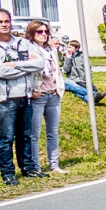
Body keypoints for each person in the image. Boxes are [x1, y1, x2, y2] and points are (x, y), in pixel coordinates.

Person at [0, 9, 45, 184]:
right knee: (6, 138)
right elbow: (1, 71)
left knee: (25, 135)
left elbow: (39, 63)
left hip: (25, 96)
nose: (4, 24)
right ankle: (7, 173)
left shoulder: (23, 43)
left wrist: (15, 64)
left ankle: (28, 168)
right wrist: (26, 67)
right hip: (3, 99)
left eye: (7, 21)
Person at [25, 21, 67, 174]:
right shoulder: (28, 49)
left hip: (53, 94)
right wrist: (31, 91)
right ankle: (35, 166)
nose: (43, 34)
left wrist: (58, 88)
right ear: (32, 33)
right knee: (34, 134)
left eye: (45, 32)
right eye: (39, 32)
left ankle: (54, 165)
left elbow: (57, 71)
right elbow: (26, 72)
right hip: (38, 95)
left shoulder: (51, 50)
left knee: (52, 132)